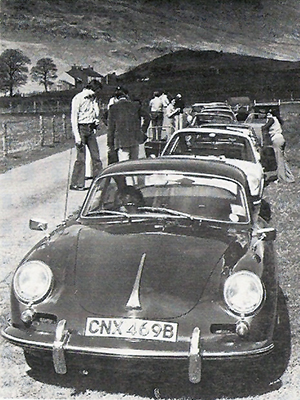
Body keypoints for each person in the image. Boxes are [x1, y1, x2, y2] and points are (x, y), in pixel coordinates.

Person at [70, 79, 103, 191]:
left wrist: (95, 120)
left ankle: (98, 183)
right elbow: (74, 118)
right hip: (81, 128)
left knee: (96, 156)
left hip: (90, 128)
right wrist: (77, 137)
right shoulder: (78, 98)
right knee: (81, 158)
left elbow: (96, 114)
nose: (96, 94)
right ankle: (77, 183)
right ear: (91, 89)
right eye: (96, 91)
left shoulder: (93, 99)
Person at [107, 88, 150, 162]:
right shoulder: (135, 105)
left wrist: (110, 143)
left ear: (116, 98)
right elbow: (147, 117)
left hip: (121, 140)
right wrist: (142, 130)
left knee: (124, 164)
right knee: (134, 163)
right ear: (127, 96)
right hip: (135, 138)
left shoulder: (113, 108)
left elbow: (111, 128)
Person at [262, 111, 295, 183]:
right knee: (283, 160)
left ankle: (282, 179)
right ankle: (289, 177)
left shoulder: (271, 119)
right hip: (280, 138)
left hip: (276, 139)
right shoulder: (276, 120)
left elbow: (264, 127)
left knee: (279, 160)